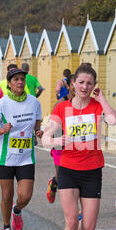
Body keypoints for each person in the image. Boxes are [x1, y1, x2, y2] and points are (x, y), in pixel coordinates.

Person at [41, 63, 116, 230]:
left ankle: (85, 228)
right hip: (68, 170)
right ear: (73, 83)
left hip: (92, 171)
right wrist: (57, 140)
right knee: (71, 222)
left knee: (88, 226)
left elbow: (113, 120)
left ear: (94, 85)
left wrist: (102, 99)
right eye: (81, 82)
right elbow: (45, 138)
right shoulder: (62, 108)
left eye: (89, 83)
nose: (85, 86)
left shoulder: (96, 106)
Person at [0, 68, 43, 230]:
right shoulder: (2, 104)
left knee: (25, 196)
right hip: (6, 158)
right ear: (9, 84)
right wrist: (2, 130)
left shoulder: (34, 102)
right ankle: (6, 227)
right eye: (16, 79)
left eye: (22, 79)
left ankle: (17, 211)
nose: (20, 82)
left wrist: (39, 132)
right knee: (6, 195)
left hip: (26, 157)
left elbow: (37, 124)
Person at [46, 74, 76, 203]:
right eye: (73, 84)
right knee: (62, 176)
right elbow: (52, 124)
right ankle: (54, 183)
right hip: (60, 142)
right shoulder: (60, 103)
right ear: (68, 86)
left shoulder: (85, 103)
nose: (76, 87)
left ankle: (77, 208)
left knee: (76, 176)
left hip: (77, 144)